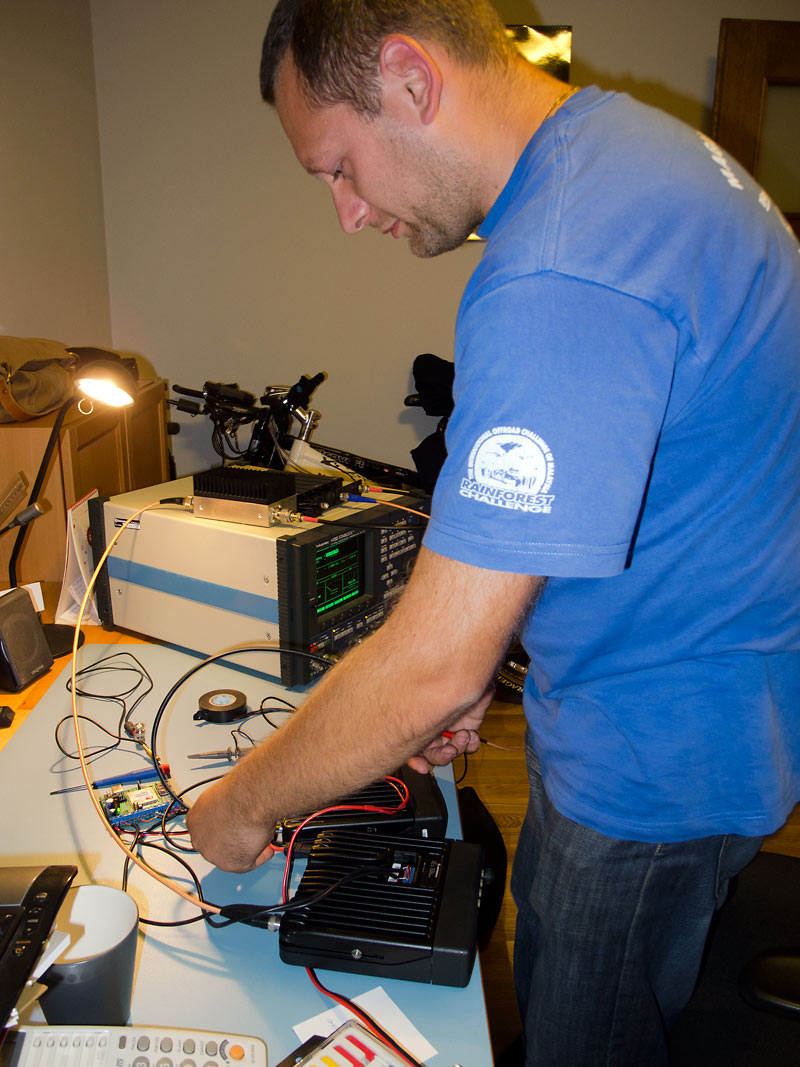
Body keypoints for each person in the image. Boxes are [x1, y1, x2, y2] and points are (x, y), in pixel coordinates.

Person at [186, 2, 800, 1062]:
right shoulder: (639, 151)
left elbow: (428, 668)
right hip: (735, 708)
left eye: (338, 167)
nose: (346, 213)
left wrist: (239, 809)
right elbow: (650, 469)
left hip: (647, 764)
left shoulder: (560, 267)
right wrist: (490, 640)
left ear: (410, 78)